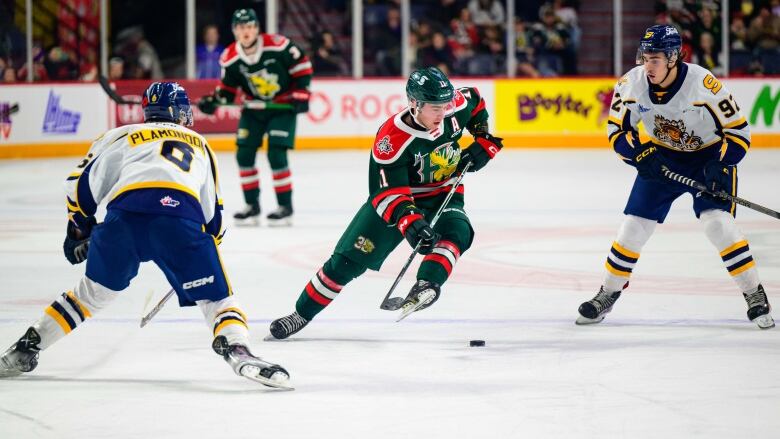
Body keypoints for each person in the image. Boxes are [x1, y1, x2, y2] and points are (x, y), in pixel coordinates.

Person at [0, 82, 292, 388]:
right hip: (179, 222)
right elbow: (214, 220)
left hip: (122, 222)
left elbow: (79, 186)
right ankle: (238, 350)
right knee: (216, 299)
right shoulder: (199, 143)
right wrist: (203, 250)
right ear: (177, 111)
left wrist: (79, 229)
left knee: (90, 294)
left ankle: (26, 347)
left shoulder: (121, 134)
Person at [268, 66, 503, 339]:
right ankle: (300, 314)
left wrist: (484, 139)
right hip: (400, 201)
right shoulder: (391, 140)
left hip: (443, 193)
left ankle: (426, 283)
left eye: (445, 104)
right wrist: (411, 222)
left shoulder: (454, 107)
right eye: (434, 107)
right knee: (345, 263)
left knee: (458, 232)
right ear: (414, 104)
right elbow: (387, 193)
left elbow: (475, 100)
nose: (443, 112)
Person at [576, 25, 774, 330]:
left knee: (718, 225)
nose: (648, 65)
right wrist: (639, 155)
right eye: (645, 57)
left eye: (655, 59)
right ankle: (608, 292)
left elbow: (739, 133)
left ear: (673, 57)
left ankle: (754, 293)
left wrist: (721, 166)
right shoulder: (632, 83)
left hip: (707, 159)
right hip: (660, 157)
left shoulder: (703, 84)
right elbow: (617, 131)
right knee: (632, 229)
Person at [198, 8, 313, 226]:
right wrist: (212, 102)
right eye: (241, 27)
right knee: (244, 155)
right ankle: (252, 205)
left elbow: (302, 66)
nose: (246, 31)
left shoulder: (277, 45)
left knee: (276, 155)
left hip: (282, 107)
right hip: (253, 110)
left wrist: (302, 92)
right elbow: (228, 92)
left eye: (250, 26)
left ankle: (284, 206)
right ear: (234, 31)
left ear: (257, 29)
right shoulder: (230, 57)